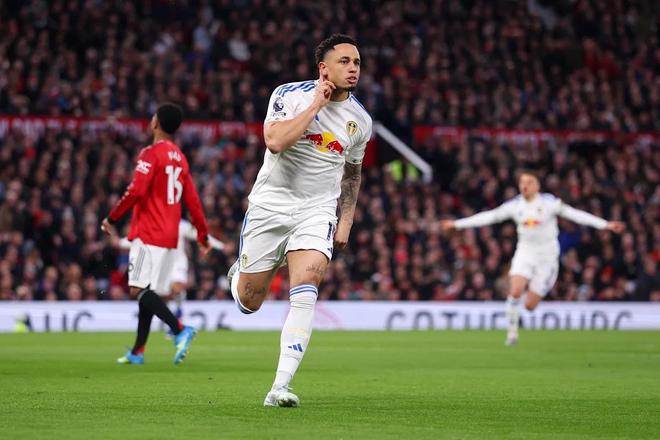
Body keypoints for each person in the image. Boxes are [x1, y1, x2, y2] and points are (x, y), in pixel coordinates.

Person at [227, 34, 372, 407]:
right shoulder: (289, 95)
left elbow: (352, 175)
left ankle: (280, 386)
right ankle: (239, 274)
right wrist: (316, 105)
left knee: (308, 283)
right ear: (323, 68)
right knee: (249, 301)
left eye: (356, 62)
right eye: (344, 62)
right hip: (270, 206)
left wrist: (346, 220)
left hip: (317, 211)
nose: (353, 69)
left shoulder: (360, 121)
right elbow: (275, 142)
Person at [441, 171, 625, 345]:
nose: (525, 186)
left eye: (529, 182)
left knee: (529, 305)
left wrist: (605, 225)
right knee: (515, 291)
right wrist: (457, 224)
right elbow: (490, 216)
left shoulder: (549, 203)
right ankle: (512, 334)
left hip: (547, 258)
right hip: (525, 252)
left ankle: (529, 302)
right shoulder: (515, 206)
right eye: (522, 182)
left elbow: (575, 214)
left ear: (537, 186)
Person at [102, 103, 211, 365]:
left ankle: (179, 329)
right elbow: (193, 200)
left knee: (137, 289)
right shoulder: (180, 157)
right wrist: (202, 236)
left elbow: (136, 190)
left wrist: (112, 218)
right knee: (147, 291)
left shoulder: (151, 154)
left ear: (156, 123)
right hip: (169, 237)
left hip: (148, 233)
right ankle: (138, 351)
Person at [118, 219, 225, 329]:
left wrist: (221, 246)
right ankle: (171, 322)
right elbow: (139, 239)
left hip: (178, 264)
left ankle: (179, 310)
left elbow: (200, 235)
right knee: (163, 296)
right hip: (161, 265)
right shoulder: (154, 224)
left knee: (177, 288)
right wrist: (120, 243)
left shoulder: (181, 225)